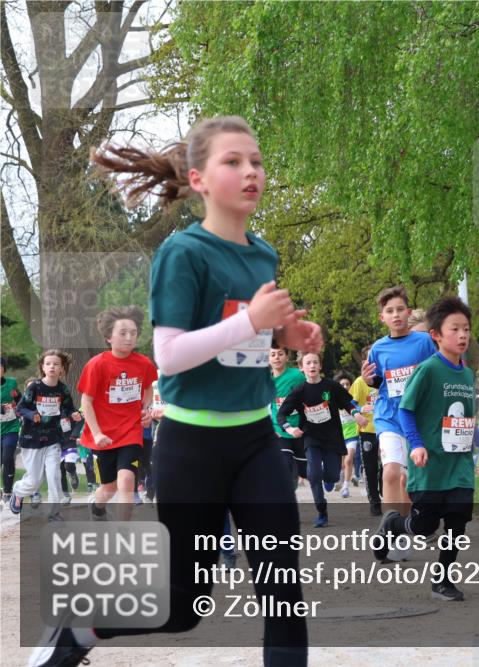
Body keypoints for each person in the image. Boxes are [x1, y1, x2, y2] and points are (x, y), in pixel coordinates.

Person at [28, 115, 322, 667]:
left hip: (257, 440)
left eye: (255, 161)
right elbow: (170, 354)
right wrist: (253, 318)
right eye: (232, 162)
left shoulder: (263, 254)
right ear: (199, 179)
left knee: (283, 589)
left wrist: (284, 331)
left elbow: (243, 333)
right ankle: (84, 628)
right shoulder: (181, 253)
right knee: (185, 606)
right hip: (193, 445)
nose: (250, 171)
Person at [374, 296, 479, 601]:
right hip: (429, 465)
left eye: (466, 329)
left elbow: (466, 420)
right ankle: (393, 522)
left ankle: (442, 580)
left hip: (459, 465)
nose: (463, 335)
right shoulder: (428, 369)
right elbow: (406, 410)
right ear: (435, 334)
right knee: (423, 528)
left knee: (458, 521)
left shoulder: (466, 374)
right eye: (455, 329)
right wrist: (417, 445)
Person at [361, 286, 437, 550]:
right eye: (389, 311)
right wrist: (370, 380)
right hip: (389, 418)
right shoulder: (378, 349)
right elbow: (377, 382)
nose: (395, 315)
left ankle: (402, 527)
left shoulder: (425, 342)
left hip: (417, 419)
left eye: (400, 309)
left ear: (408, 312)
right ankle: (392, 535)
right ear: (382, 317)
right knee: (392, 473)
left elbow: (436, 374)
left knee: (407, 480)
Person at [77, 306, 158, 522]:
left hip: (131, 431)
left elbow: (149, 387)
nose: (130, 338)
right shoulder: (97, 365)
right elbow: (86, 400)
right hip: (103, 436)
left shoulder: (144, 363)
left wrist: (146, 409)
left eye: (133, 332)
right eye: (123, 333)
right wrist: (96, 433)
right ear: (108, 337)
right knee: (109, 487)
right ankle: (97, 507)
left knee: (127, 480)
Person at [278, 352, 364, 527]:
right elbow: (281, 414)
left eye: (315, 362)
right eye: (308, 363)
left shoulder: (331, 386)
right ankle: (321, 512)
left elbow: (348, 402)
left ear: (320, 366)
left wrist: (356, 413)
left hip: (332, 438)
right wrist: (290, 428)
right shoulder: (299, 390)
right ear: (302, 367)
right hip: (311, 438)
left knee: (331, 475)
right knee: (314, 473)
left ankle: (330, 479)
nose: (312, 366)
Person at [8, 350, 82, 520]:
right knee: (34, 481)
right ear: (42, 367)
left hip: (52, 440)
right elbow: (20, 408)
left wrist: (74, 414)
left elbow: (69, 408)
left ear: (62, 368)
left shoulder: (62, 389)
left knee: (54, 476)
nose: (52, 367)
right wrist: (31, 414)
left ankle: (54, 513)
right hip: (31, 439)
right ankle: (18, 492)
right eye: (48, 363)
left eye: (56, 364)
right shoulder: (35, 387)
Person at [350, 345, 382, 516]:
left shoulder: (385, 378)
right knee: (370, 467)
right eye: (372, 358)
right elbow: (350, 402)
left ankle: (385, 487)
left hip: (386, 428)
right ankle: (374, 501)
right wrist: (360, 410)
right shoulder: (359, 382)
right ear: (364, 362)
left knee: (387, 464)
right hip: (367, 430)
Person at [270, 345, 308, 489]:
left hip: (299, 430)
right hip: (280, 431)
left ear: (287, 357)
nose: (276, 357)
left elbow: (307, 397)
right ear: (268, 359)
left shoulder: (296, 376)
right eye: (273, 354)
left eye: (280, 354)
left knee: (304, 471)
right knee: (284, 466)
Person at [333, 371, 362, 497]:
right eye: (342, 385)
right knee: (340, 462)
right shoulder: (334, 400)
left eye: (347, 384)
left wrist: (362, 410)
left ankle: (346, 486)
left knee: (349, 459)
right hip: (339, 435)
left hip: (352, 434)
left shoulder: (353, 400)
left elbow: (359, 409)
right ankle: (339, 475)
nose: (345, 387)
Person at [1, 356, 22, 506]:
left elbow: (19, 398)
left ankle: (8, 491)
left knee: (8, 457)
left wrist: (18, 405)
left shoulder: (11, 383)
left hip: (11, 427)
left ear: (4, 369)